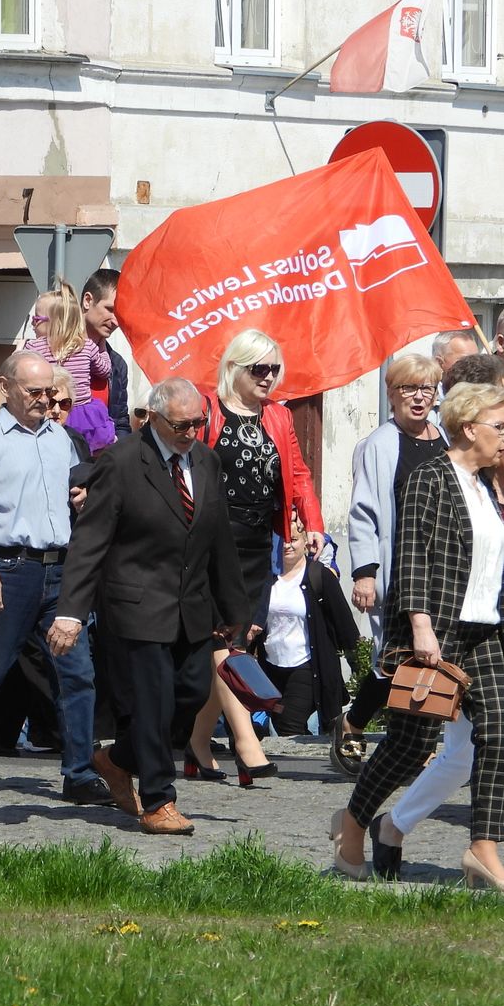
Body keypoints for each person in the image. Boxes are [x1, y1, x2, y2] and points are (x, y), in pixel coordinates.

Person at [334, 382, 504, 890]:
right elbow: (410, 556)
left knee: (499, 732)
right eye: (499, 428)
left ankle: (483, 848)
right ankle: (353, 822)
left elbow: (503, 563)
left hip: (488, 632)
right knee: (410, 745)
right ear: (469, 428)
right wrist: (420, 627)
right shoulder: (431, 478)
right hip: (438, 629)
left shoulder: (488, 485)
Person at [48, 377, 250, 836]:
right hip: (136, 605)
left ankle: (117, 759)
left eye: (198, 423)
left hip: (191, 607)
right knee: (154, 704)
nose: (191, 432)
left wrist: (235, 608)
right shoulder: (120, 462)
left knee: (190, 695)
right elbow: (90, 541)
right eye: (181, 425)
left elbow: (219, 537)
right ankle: (159, 801)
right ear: (154, 418)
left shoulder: (206, 461)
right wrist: (71, 611)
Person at [0, 351, 113, 806]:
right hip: (9, 569)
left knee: (77, 674)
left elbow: (76, 497)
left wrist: (82, 500)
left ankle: (79, 774)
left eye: (50, 392)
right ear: (6, 387)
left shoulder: (62, 439)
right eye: (34, 391)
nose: (45, 400)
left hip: (61, 570)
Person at [184, 328, 324, 782]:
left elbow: (297, 473)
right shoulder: (207, 409)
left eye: (274, 369)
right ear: (234, 368)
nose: (268, 377)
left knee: (235, 642)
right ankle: (245, 742)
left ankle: (197, 744)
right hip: (212, 540)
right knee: (226, 641)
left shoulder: (278, 416)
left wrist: (313, 522)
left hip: (259, 542)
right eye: (258, 369)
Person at [339, 353, 447, 775]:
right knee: (398, 660)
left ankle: (395, 736)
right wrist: (365, 573)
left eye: (426, 389)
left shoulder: (445, 439)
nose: (418, 398)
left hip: (442, 570)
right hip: (399, 568)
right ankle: (375, 731)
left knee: (432, 659)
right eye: (408, 389)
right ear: (391, 394)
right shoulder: (380, 445)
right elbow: (362, 512)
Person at [250, 505, 360, 739]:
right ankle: (309, 753)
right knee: (281, 723)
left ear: (305, 543)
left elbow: (345, 625)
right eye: (282, 540)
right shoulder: (266, 578)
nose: (287, 546)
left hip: (306, 665)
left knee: (289, 724)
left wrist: (360, 668)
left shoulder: (320, 576)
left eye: (294, 540)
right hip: (271, 666)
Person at [20, 280, 115, 453]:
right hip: (83, 416)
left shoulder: (33, 348)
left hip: (48, 412)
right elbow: (105, 370)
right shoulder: (86, 345)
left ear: (53, 322)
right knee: (81, 455)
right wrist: (101, 347)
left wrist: (20, 348)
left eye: (36, 319)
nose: (33, 324)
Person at [80, 269, 131, 439]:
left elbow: (120, 422)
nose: (116, 321)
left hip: (102, 455)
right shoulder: (54, 352)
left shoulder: (117, 364)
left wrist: (119, 451)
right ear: (88, 301)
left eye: (120, 313)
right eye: (110, 309)